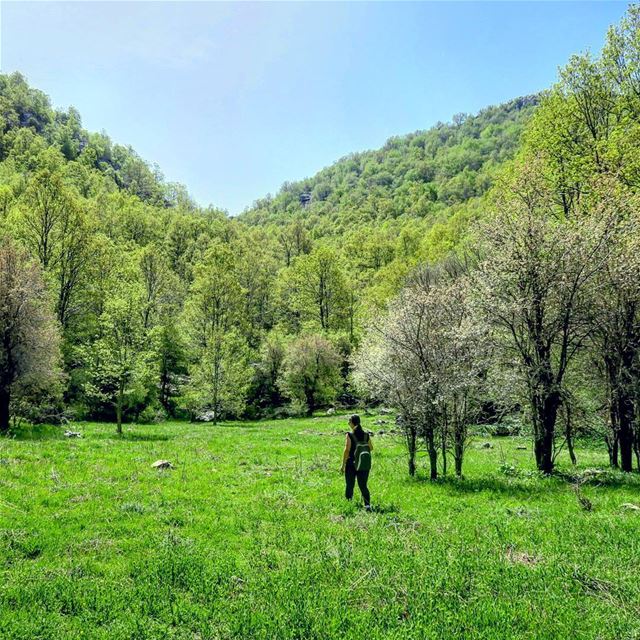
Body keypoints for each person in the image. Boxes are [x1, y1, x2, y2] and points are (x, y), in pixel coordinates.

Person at [340, 414, 373, 510]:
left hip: (351, 463)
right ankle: (367, 506)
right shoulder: (366, 435)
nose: (348, 423)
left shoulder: (349, 435)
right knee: (363, 485)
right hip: (363, 464)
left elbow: (346, 450)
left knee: (350, 485)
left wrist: (343, 465)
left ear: (352, 423)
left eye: (349, 421)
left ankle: (348, 505)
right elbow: (371, 448)